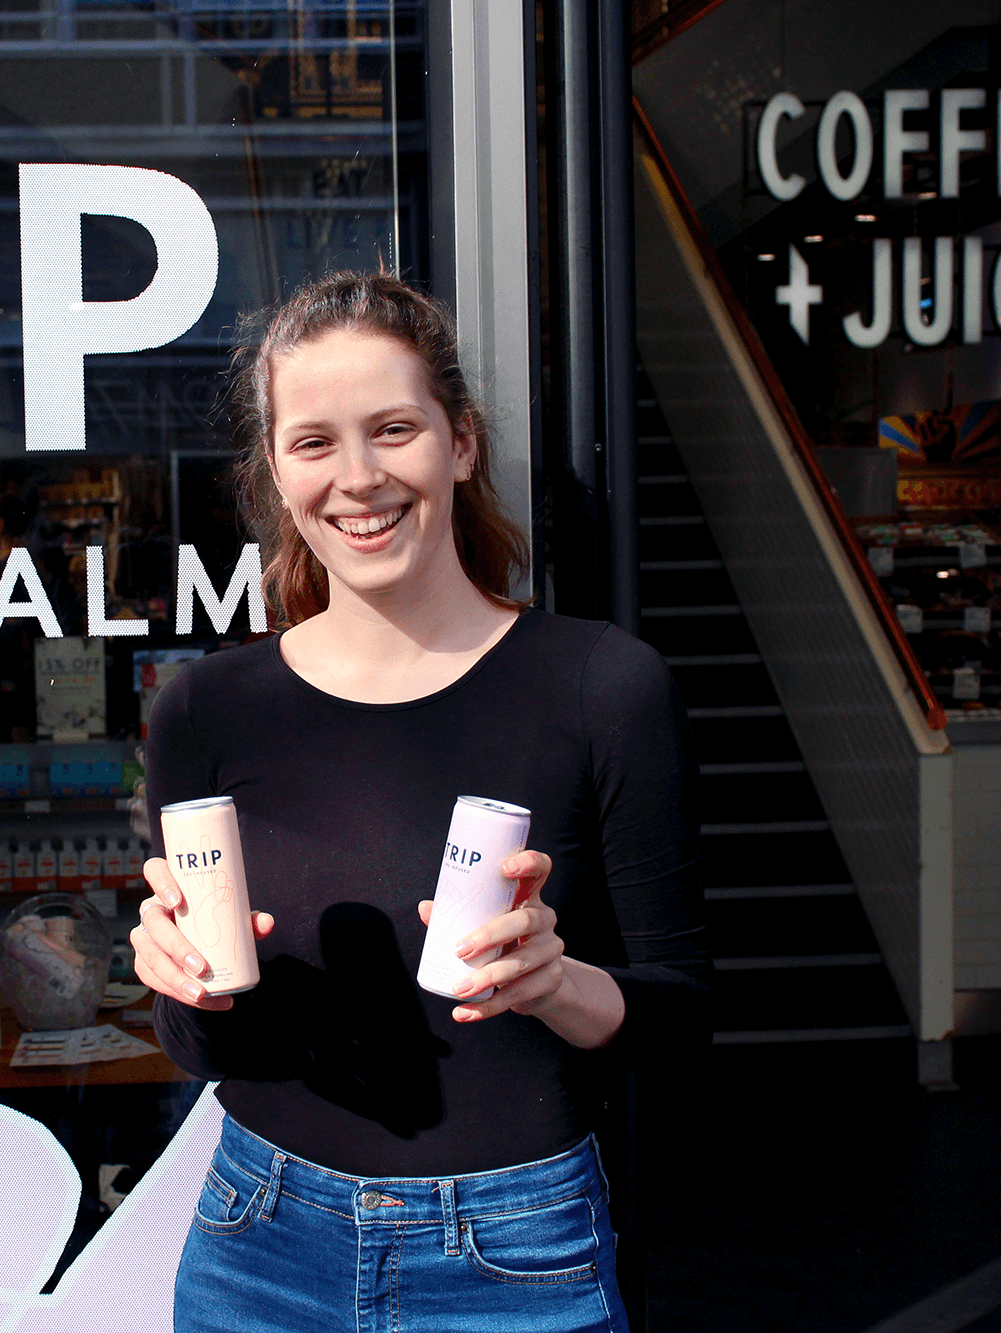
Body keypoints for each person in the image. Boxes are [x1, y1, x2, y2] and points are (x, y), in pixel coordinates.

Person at [131, 272, 710, 1333]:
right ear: (274, 470)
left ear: (461, 443)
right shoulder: (205, 711)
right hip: (256, 1240)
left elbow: (679, 1017)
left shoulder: (602, 686)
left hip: (512, 1250)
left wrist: (554, 981)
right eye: (313, 443)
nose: (357, 478)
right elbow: (208, 1049)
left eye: (392, 429)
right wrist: (185, 990)